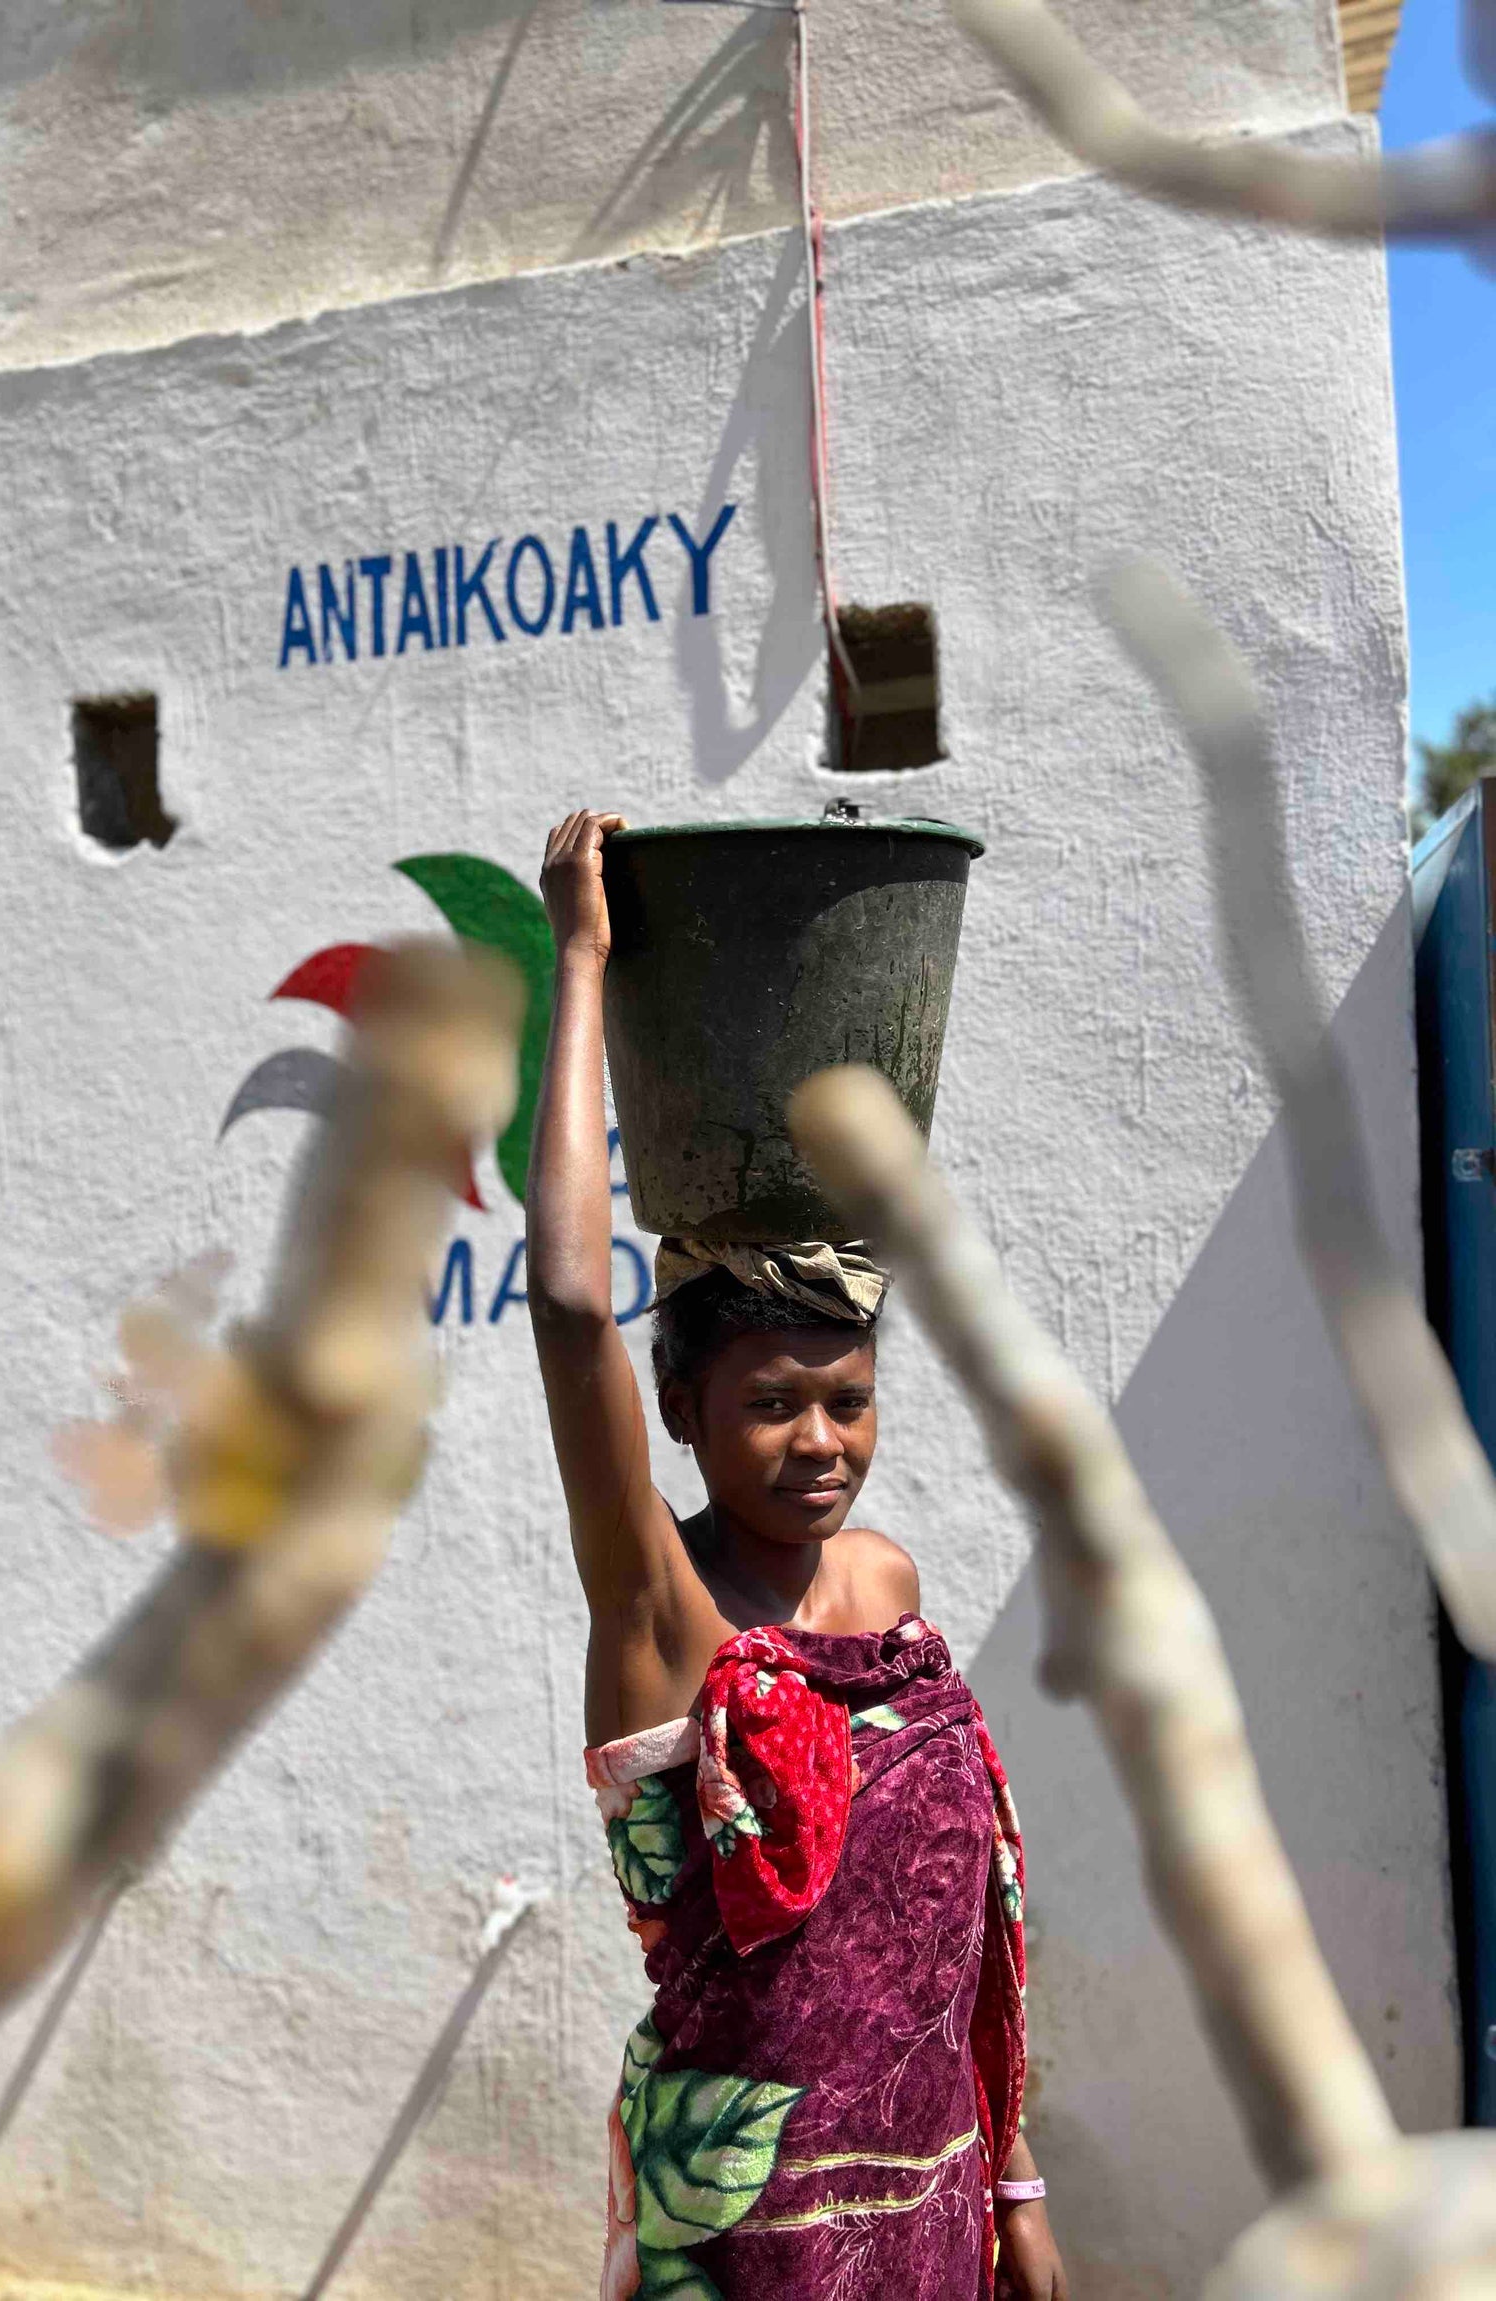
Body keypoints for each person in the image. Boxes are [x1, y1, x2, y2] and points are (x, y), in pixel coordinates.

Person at [527, 812, 1067, 2301]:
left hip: (930, 2187)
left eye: (848, 1400)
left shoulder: (883, 1590)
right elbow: (574, 1309)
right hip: (759, 2237)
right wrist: (579, 956)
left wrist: (1013, 2184)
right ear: (684, 1412)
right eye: (769, 1405)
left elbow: (955, 1930)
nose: (818, 1441)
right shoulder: (662, 1614)